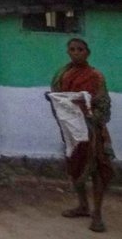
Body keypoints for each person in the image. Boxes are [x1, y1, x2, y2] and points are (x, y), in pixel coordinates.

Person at [51, 38, 114, 233]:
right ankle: (83, 205)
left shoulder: (96, 76)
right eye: (72, 49)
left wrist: (90, 115)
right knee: (75, 166)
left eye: (80, 49)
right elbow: (56, 95)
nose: (76, 52)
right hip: (72, 130)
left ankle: (97, 215)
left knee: (96, 170)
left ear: (88, 52)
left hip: (93, 129)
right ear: (68, 52)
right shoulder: (62, 74)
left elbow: (103, 104)